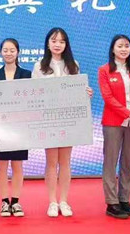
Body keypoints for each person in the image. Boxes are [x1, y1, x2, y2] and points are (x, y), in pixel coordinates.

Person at [32, 27, 92, 218]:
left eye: (61, 41)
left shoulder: (73, 65)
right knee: (51, 162)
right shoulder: (39, 66)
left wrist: (86, 93)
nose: (57, 44)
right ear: (48, 43)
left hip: (68, 119)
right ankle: (52, 201)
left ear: (66, 44)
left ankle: (64, 201)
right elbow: (34, 93)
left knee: (65, 162)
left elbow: (78, 91)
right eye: (54, 41)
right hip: (49, 120)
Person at [98, 34, 130, 220]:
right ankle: (112, 202)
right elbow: (108, 98)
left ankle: (124, 199)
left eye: (127, 46)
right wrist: (128, 112)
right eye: (120, 46)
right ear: (112, 49)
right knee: (110, 163)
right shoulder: (104, 70)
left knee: (127, 163)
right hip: (113, 123)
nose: (123, 49)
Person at [0, 38, 32, 218]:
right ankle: (4, 202)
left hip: (19, 127)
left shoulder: (26, 74)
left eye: (12, 50)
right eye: (5, 50)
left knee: (17, 165)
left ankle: (15, 201)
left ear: (18, 52)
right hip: (0, 126)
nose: (8, 53)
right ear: (0, 52)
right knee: (1, 166)